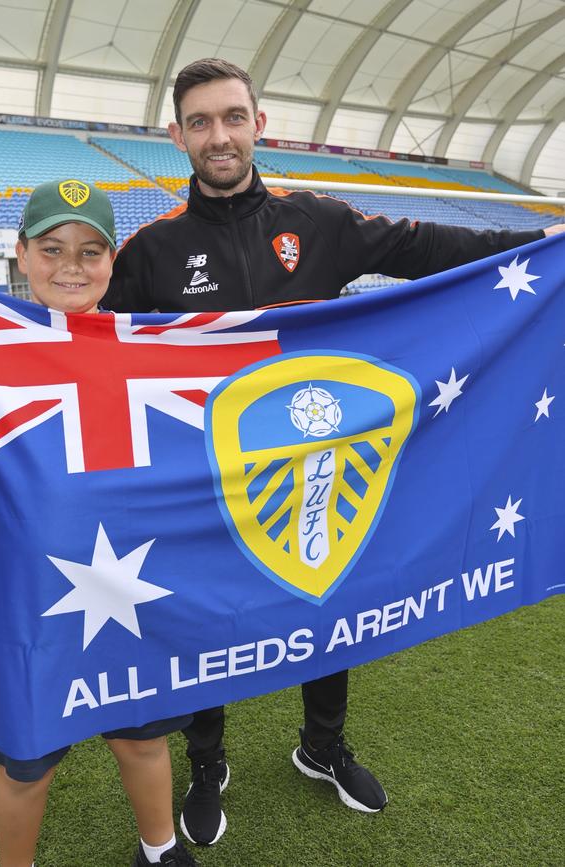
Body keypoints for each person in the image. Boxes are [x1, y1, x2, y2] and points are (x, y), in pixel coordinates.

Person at [103, 57, 565, 848]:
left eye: (233, 117)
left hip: (316, 463)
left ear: (260, 123)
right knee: (204, 619)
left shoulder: (316, 219)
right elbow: (89, 353)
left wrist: (546, 245)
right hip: (204, 480)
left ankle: (321, 746)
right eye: (202, 122)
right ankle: (207, 761)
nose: (220, 136)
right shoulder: (151, 250)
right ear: (177, 135)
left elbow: (430, 248)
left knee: (326, 597)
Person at [0, 179, 198, 867]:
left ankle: (159, 849)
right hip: (29, 608)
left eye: (91, 250)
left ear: (112, 260)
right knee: (26, 764)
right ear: (20, 253)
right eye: (53, 248)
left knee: (143, 737)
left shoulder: (152, 345)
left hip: (134, 589)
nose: (72, 265)